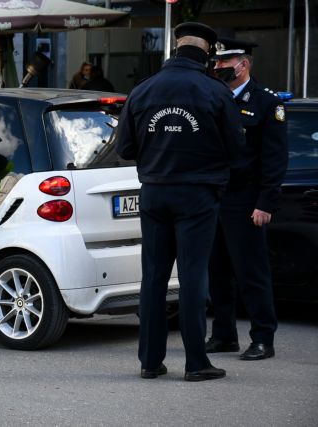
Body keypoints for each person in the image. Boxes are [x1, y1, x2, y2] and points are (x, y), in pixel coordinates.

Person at [114, 22, 245, 381]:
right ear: (207, 54)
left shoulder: (142, 90)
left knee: (153, 278)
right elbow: (237, 148)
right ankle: (196, 362)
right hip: (197, 195)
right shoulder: (215, 92)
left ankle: (150, 361)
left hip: (154, 192)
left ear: (176, 49)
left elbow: (125, 148)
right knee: (192, 277)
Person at [206, 39, 288, 360]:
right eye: (216, 63)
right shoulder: (214, 99)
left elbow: (274, 159)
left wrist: (266, 202)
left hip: (246, 200)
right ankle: (224, 335)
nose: (218, 68)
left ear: (244, 64)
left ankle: (263, 337)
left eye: (225, 63)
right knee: (217, 272)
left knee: (251, 272)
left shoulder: (267, 103)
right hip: (215, 198)